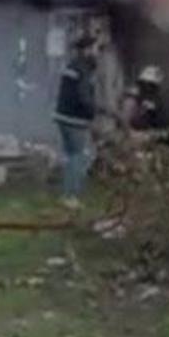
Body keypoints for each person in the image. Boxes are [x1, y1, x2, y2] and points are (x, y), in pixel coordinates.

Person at [53, 35, 99, 208]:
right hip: (75, 120)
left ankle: (67, 194)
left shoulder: (72, 65)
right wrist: (94, 112)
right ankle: (71, 196)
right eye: (95, 49)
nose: (97, 53)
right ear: (87, 50)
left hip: (63, 117)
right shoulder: (83, 69)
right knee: (78, 158)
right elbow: (84, 97)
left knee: (71, 156)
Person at [121, 65, 165, 132]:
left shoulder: (148, 102)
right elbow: (124, 122)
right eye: (151, 86)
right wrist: (132, 133)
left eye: (154, 87)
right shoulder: (131, 100)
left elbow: (150, 122)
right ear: (141, 84)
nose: (151, 90)